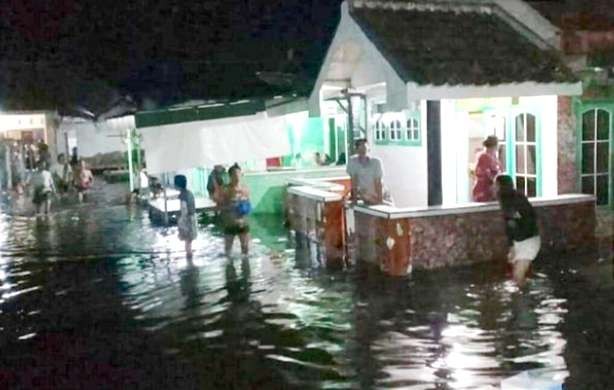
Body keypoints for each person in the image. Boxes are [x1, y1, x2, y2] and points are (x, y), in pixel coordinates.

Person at [495, 175, 541, 287]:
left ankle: (524, 301)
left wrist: (515, 243)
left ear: (500, 186)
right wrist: (512, 247)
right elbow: (511, 226)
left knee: (518, 276)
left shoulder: (513, 202)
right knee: (517, 276)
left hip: (527, 241)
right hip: (524, 240)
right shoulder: (512, 200)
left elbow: (523, 222)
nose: (493, 187)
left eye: (495, 185)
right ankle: (525, 296)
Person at [215, 163, 251, 256]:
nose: (237, 176)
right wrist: (230, 206)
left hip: (243, 222)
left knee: (245, 249)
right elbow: (219, 205)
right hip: (230, 223)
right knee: (228, 250)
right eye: (235, 174)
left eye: (239, 173)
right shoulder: (226, 189)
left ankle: (246, 267)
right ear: (230, 176)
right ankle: (229, 267)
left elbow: (248, 204)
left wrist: (245, 205)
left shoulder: (245, 188)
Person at [346, 139, 384, 205]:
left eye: (365, 148)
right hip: (365, 197)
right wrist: (354, 200)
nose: (363, 151)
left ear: (368, 149)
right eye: (360, 148)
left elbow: (378, 182)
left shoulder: (376, 162)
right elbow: (354, 181)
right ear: (356, 150)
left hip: (380, 195)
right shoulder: (353, 161)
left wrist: (380, 200)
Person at [472, 135, 502, 202]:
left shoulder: (494, 156)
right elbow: (485, 173)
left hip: (493, 189)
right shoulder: (483, 157)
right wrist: (495, 182)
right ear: (494, 145)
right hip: (483, 189)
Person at [174, 174, 198, 257]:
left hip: (187, 219)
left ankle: (189, 257)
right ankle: (190, 254)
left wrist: (180, 220)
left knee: (187, 241)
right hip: (193, 217)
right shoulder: (189, 193)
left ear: (177, 185)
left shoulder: (182, 195)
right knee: (189, 240)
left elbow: (184, 209)